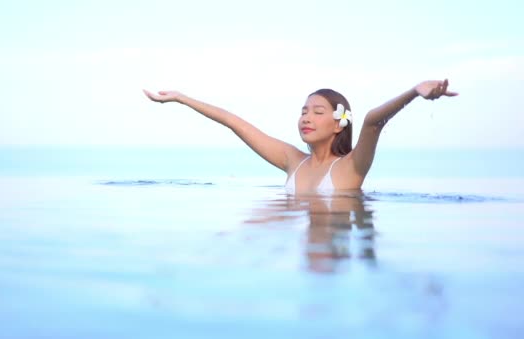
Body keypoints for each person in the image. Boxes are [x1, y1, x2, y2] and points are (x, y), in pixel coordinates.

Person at [143, 80, 457, 195]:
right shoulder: (293, 161)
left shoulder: (350, 167)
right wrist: (182, 98)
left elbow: (373, 122)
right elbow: (232, 122)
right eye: (303, 110)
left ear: (338, 124)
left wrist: (415, 92)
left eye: (318, 112)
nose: (306, 117)